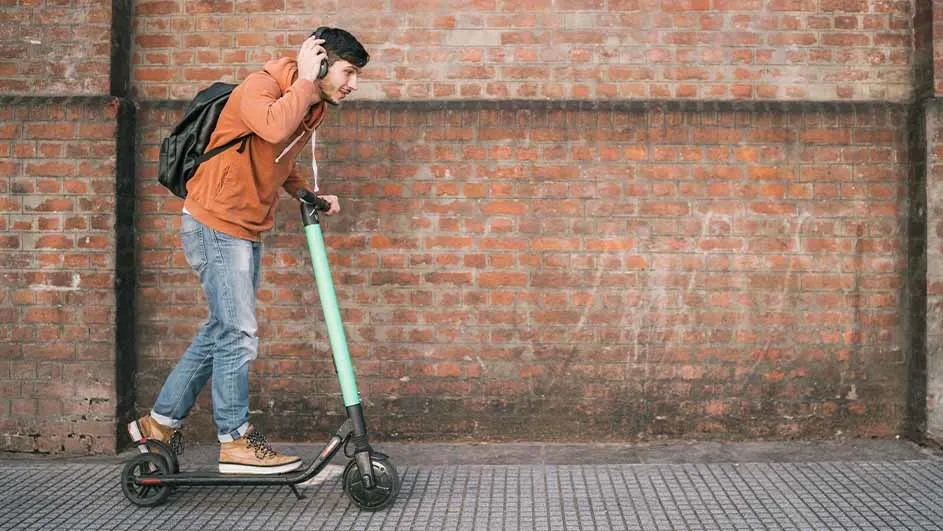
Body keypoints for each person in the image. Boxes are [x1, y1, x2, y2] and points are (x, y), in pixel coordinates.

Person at [128, 27, 369, 474]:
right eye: (348, 73)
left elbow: (278, 157)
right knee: (238, 332)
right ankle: (235, 439)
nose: (352, 85)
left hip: (243, 226)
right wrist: (303, 81)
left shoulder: (309, 103)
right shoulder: (261, 87)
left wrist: (306, 195)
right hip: (215, 223)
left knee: (222, 329)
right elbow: (273, 125)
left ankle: (159, 423)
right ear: (319, 62)